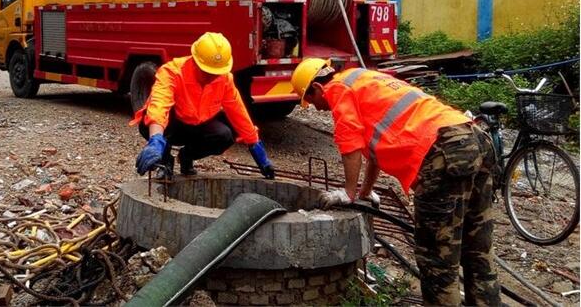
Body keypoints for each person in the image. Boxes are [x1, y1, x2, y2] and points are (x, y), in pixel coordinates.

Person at [290, 58, 499, 306]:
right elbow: (374, 153)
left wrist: (348, 193)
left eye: (311, 101)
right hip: (474, 138)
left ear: (317, 88)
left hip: (442, 152)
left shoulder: (338, 90)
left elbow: (350, 145)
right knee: (478, 250)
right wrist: (364, 191)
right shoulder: (361, 78)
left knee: (438, 261)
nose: (316, 109)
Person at [131, 32, 275, 179]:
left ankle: (187, 156)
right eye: (207, 72)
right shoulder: (172, 72)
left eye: (216, 73)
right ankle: (165, 159)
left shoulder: (224, 79)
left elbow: (239, 114)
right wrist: (155, 140)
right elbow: (158, 105)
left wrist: (259, 153)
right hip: (174, 126)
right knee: (146, 123)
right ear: (194, 61)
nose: (212, 77)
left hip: (198, 125)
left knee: (225, 135)